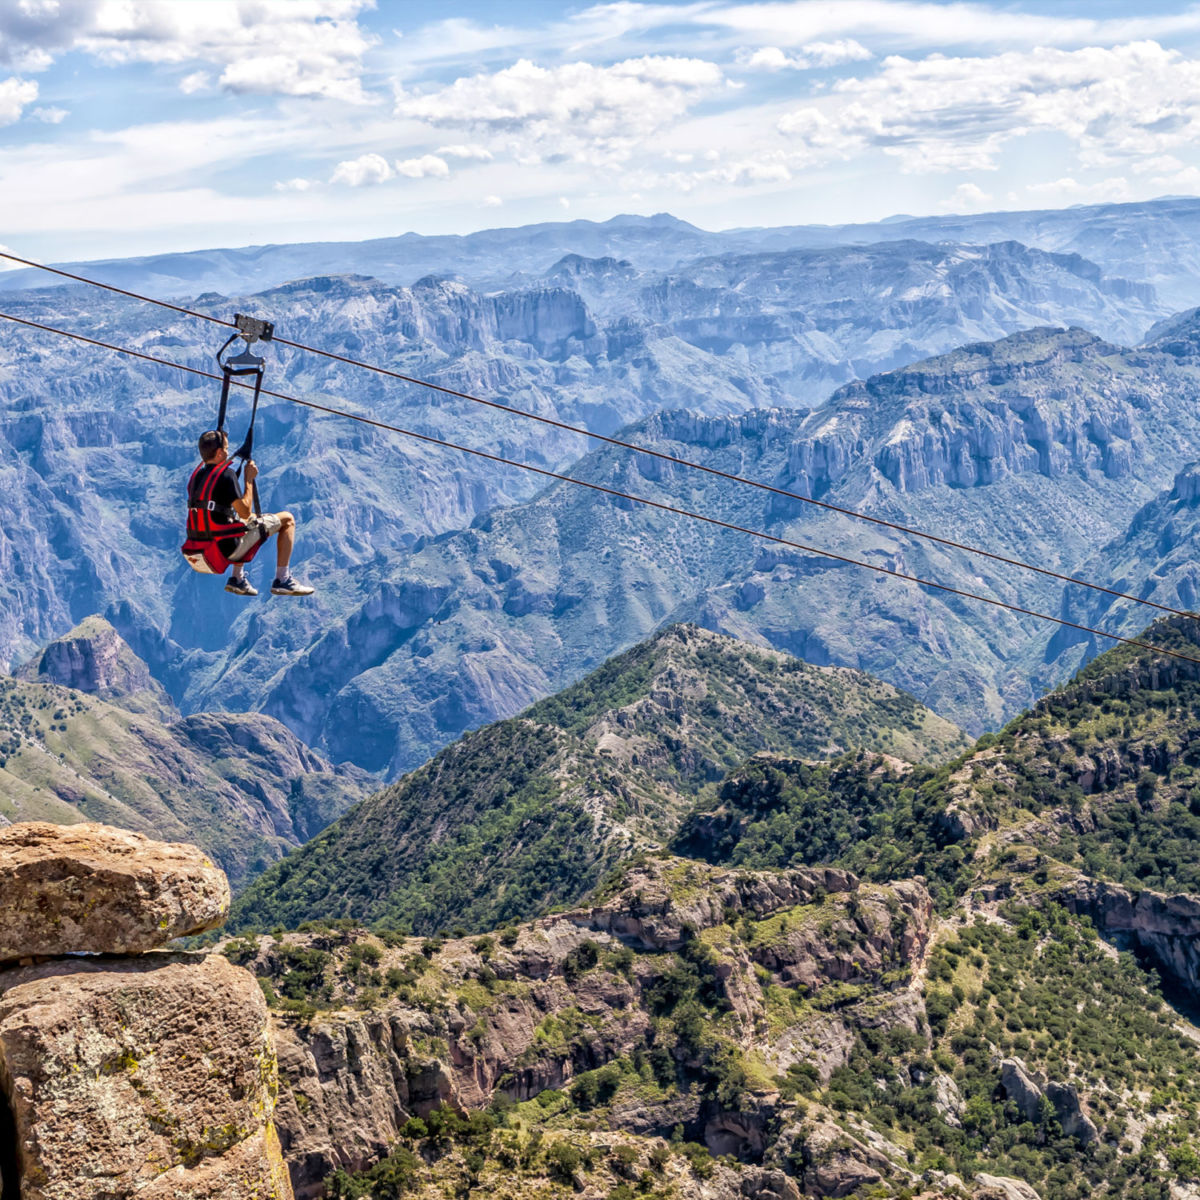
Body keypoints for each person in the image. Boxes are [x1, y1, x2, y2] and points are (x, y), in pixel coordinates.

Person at [189, 429, 314, 597]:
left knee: (250, 519)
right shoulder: (226, 475)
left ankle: (237, 578)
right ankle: (282, 580)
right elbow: (246, 512)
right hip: (226, 548)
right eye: (226, 448)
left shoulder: (197, 476)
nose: (228, 451)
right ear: (219, 452)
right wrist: (249, 479)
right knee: (287, 519)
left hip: (203, 544)